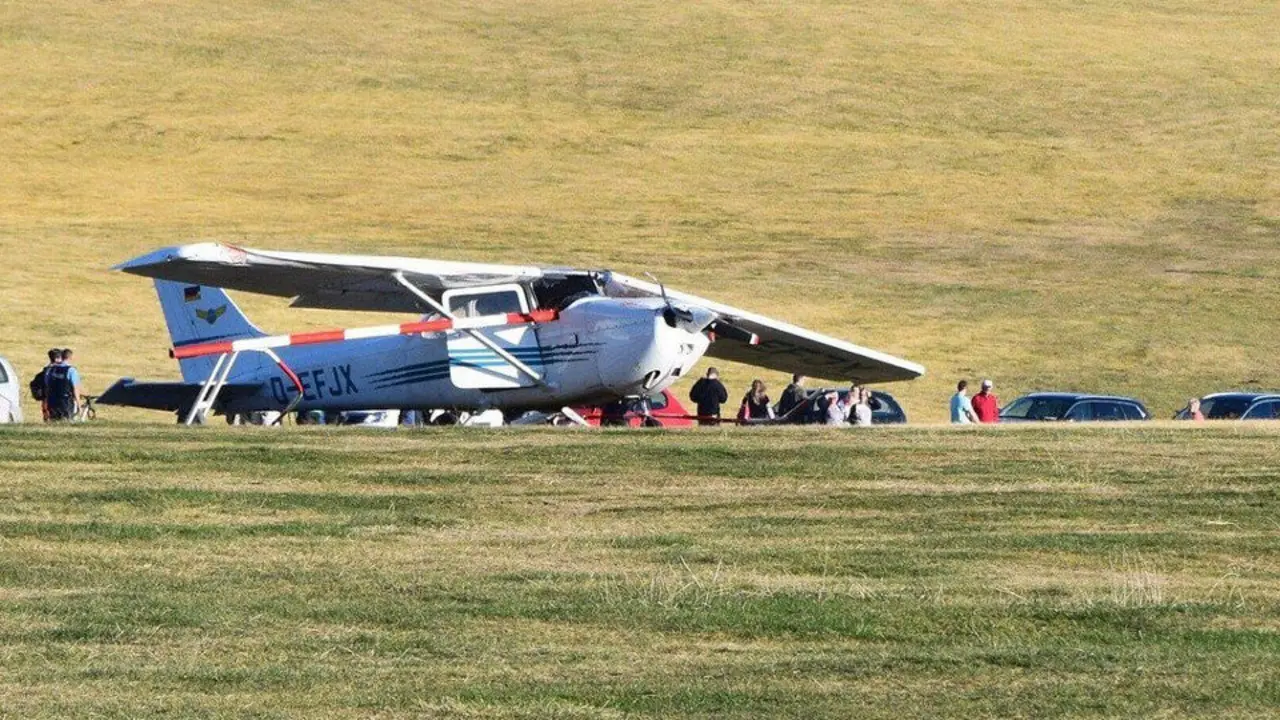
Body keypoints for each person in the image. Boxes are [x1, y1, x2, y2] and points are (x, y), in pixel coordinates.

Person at [43, 349, 82, 422]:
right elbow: (75, 389)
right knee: (67, 421)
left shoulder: (51, 369)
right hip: (66, 401)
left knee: (54, 421)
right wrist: (79, 404)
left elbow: (47, 384)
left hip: (52, 400)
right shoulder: (71, 370)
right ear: (70, 358)